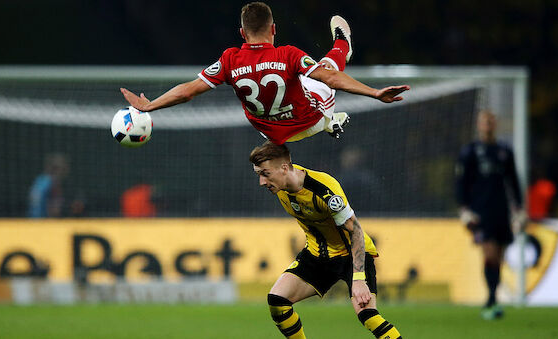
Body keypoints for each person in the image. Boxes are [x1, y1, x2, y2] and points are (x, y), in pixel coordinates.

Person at [121, 2, 410, 145]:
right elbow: (331, 79)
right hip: (306, 122)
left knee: (304, 84)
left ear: (241, 33)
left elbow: (188, 91)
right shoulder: (288, 54)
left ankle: (327, 123)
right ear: (274, 29)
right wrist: (374, 92)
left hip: (268, 132)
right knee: (326, 71)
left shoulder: (229, 59)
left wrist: (149, 106)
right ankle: (342, 45)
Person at [250, 141, 402, 339]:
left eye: (265, 174)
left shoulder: (324, 190)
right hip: (318, 254)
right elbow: (276, 141)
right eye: (258, 174)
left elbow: (356, 231)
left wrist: (358, 279)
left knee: (368, 315)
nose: (262, 182)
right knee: (277, 300)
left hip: (351, 254)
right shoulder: (281, 186)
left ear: (284, 168)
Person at [455, 110, 527, 320]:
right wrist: (464, 209)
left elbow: (513, 181)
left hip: (501, 211)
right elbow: (461, 183)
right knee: (489, 254)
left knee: (500, 258)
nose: (488, 125)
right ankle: (491, 300)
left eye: (491, 121)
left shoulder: (504, 151)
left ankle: (493, 298)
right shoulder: (469, 152)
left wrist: (519, 209)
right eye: (484, 121)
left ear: (495, 124)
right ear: (479, 125)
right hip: (480, 213)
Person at [27, 153, 70, 218]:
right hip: (44, 223)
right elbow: (55, 211)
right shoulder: (53, 183)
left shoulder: (40, 180)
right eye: (62, 168)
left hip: (31, 222)